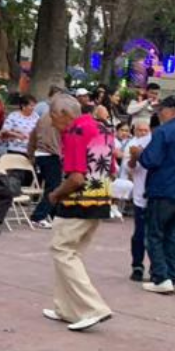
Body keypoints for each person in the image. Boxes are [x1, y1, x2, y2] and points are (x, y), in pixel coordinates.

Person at [41, 93, 115, 330]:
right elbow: (111, 168)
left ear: (63, 114)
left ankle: (93, 308)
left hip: (77, 203)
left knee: (62, 251)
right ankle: (66, 308)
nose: (53, 123)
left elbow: (75, 177)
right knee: (72, 254)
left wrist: (55, 194)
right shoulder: (102, 129)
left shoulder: (74, 132)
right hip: (100, 198)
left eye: (53, 117)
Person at [137, 96, 175, 293]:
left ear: (170, 110)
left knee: (155, 234)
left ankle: (161, 276)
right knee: (171, 235)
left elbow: (150, 159)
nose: (159, 114)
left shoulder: (163, 132)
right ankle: (171, 275)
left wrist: (139, 154)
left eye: (161, 110)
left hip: (162, 189)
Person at [122, 115, 154, 283]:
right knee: (140, 234)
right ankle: (137, 266)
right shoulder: (135, 144)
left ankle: (156, 267)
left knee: (157, 234)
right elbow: (130, 168)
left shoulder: (161, 143)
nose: (143, 133)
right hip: (141, 195)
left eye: (146, 130)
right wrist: (136, 156)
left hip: (158, 197)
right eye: (140, 130)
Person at [30, 95, 65, 227]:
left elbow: (32, 136)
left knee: (53, 185)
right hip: (50, 154)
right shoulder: (56, 119)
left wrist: (31, 154)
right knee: (53, 187)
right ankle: (39, 216)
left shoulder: (42, 118)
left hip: (41, 154)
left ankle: (52, 214)